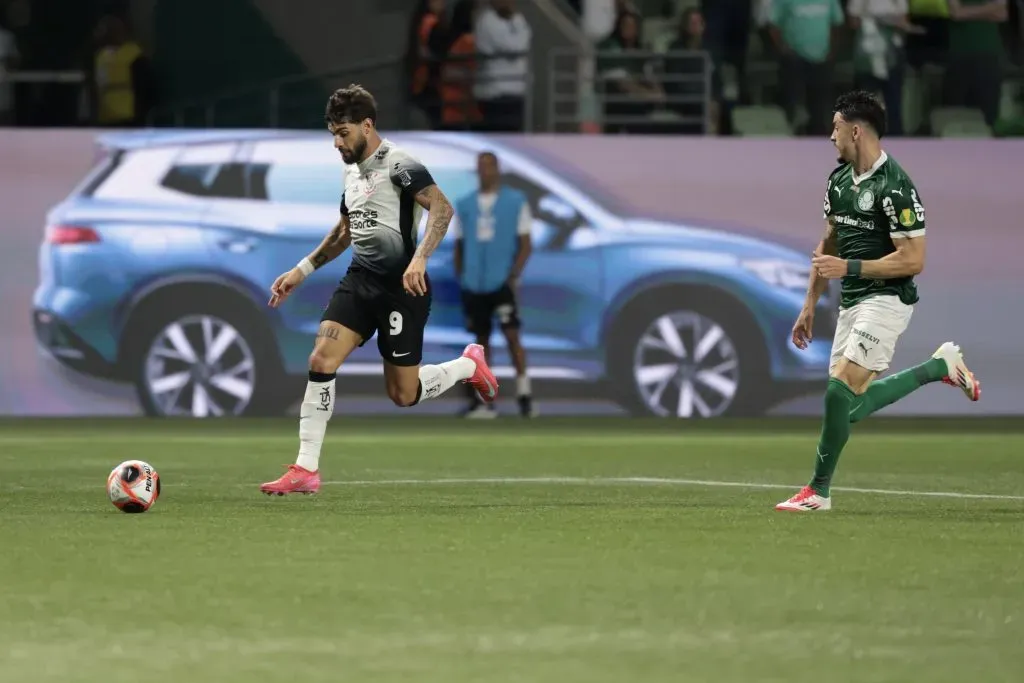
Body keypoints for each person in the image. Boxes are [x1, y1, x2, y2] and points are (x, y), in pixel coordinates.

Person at [259, 85, 499, 496]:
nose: (337, 143)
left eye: (344, 133)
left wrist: (420, 258)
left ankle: (466, 367)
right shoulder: (350, 169)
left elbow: (442, 208)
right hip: (360, 280)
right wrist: (301, 270)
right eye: (333, 133)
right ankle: (305, 469)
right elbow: (344, 231)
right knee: (321, 357)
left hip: (402, 288)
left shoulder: (399, 164)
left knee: (403, 394)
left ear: (367, 126)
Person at [776, 90, 981, 513]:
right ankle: (938, 367)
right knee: (844, 409)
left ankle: (817, 492)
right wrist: (808, 305)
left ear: (855, 130)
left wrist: (849, 268)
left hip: (888, 298)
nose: (830, 136)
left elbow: (914, 259)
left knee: (837, 395)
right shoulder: (837, 182)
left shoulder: (897, 187)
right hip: (852, 302)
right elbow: (826, 246)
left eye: (835, 127)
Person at [452, 151, 535, 418]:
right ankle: (485, 402)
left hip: (502, 282)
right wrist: (462, 277)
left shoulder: (515, 202)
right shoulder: (465, 205)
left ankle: (524, 395)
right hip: (474, 283)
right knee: (481, 343)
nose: (485, 171)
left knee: (512, 337)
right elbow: (460, 245)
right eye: (481, 167)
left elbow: (525, 243)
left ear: (497, 169)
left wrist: (514, 275)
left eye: (489, 166)